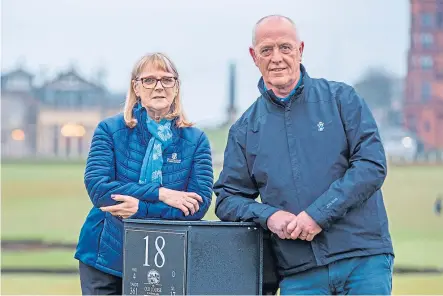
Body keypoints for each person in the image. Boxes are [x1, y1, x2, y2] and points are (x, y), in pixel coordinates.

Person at [214, 15, 394, 295]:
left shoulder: (341, 99)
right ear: (254, 56)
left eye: (285, 48)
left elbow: (371, 165)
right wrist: (269, 215)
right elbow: (227, 199)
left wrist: (318, 215)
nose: (276, 58)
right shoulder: (244, 129)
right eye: (266, 50)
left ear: (300, 49)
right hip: (299, 274)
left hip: (362, 259)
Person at [74, 52, 214, 295]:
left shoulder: (196, 140)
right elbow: (99, 189)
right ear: (136, 87)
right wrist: (161, 193)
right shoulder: (109, 130)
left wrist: (142, 209)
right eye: (149, 80)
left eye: (167, 79)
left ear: (176, 87)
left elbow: (197, 206)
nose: (159, 87)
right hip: (106, 255)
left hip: (167, 258)